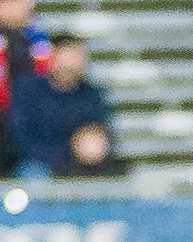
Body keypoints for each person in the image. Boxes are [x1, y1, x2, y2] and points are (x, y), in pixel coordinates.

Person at [8, 35, 116, 177]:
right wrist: (61, 158)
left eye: (79, 54)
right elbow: (22, 137)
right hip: (39, 164)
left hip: (80, 165)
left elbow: (99, 133)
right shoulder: (29, 89)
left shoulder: (91, 94)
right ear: (54, 55)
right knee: (34, 174)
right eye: (69, 53)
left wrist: (92, 143)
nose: (75, 60)